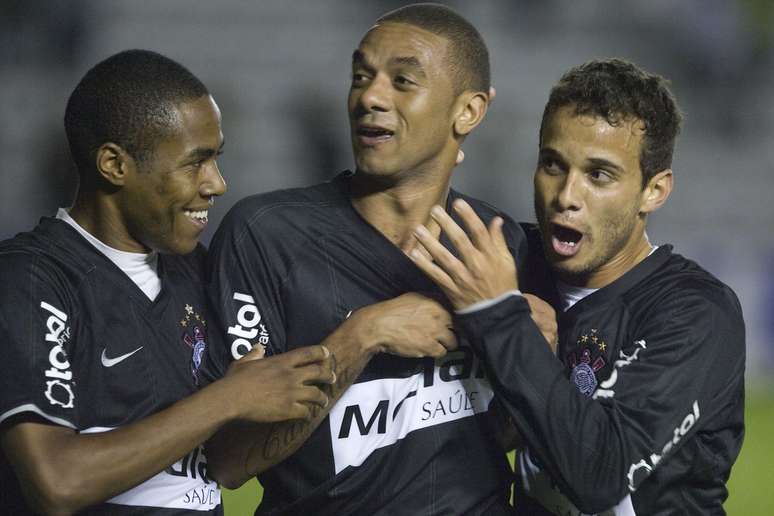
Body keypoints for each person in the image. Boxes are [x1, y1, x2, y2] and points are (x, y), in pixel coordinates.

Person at [201, 4, 554, 515]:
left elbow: (489, 435)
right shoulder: (267, 235)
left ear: (469, 111)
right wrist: (362, 335)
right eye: (360, 76)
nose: (369, 96)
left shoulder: (499, 245)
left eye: (402, 80)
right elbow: (230, 461)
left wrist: (533, 361)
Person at [0, 49, 336, 516]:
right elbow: (57, 481)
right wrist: (228, 398)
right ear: (115, 165)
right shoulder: (31, 279)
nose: (217, 183)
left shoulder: (201, 273)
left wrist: (362, 338)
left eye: (216, 159)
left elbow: (230, 463)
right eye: (194, 163)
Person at [410, 58, 745, 514]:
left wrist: (499, 316)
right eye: (553, 164)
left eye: (599, 175)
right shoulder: (508, 257)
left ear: (654, 191)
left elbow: (599, 476)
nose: (566, 196)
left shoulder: (695, 314)